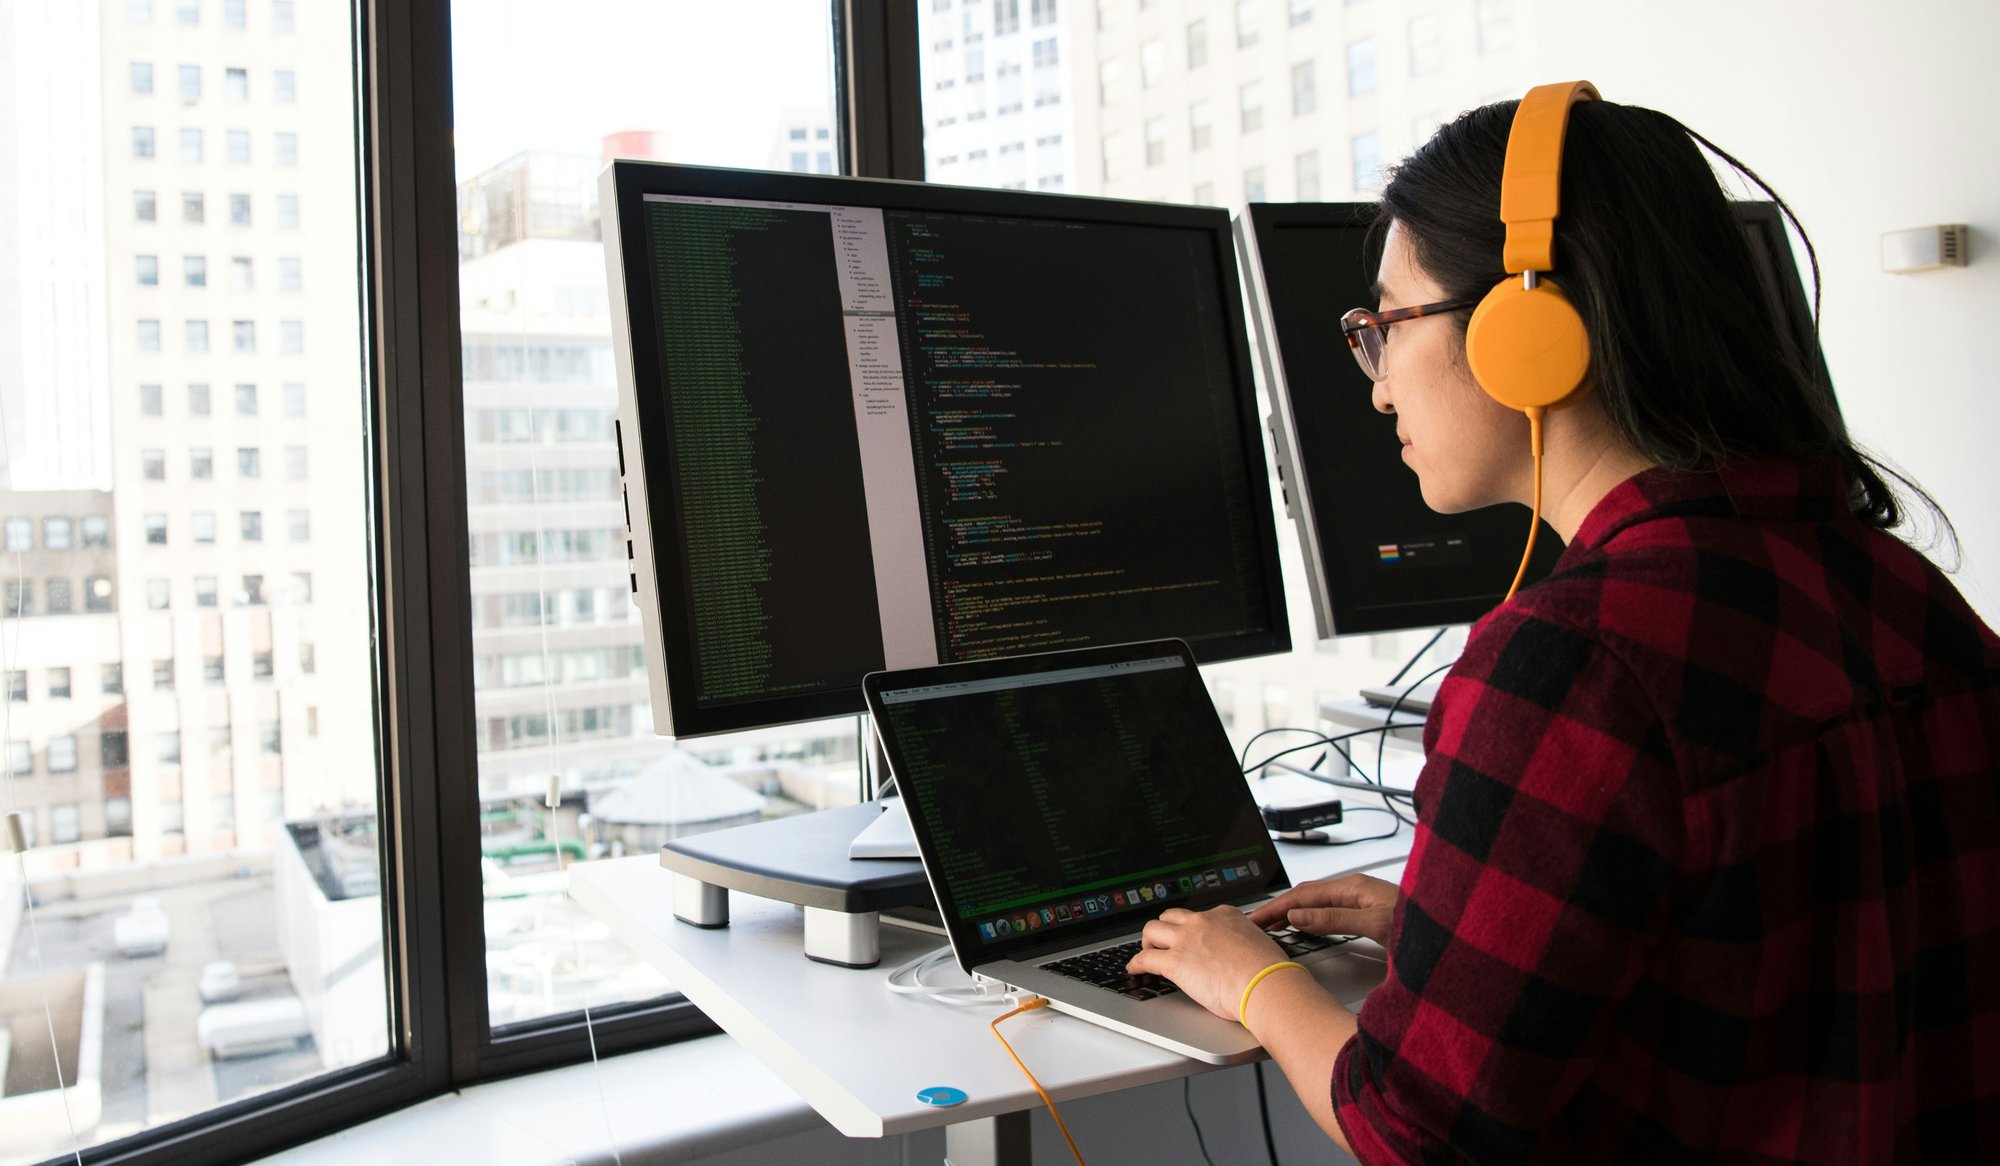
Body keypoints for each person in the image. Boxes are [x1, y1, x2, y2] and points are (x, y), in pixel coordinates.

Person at [1126, 90, 2000, 1163]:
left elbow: (1414, 1128)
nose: (1378, 389)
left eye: (1385, 327)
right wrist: (1447, 942)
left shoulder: (1571, 665)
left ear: (1528, 333)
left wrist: (1248, 976)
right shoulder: (1902, 586)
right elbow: (1792, 967)